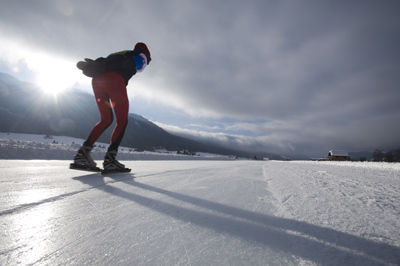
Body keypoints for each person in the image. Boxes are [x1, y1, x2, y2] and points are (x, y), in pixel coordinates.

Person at [70, 42, 151, 173]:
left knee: (106, 119)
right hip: (114, 80)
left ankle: (82, 156)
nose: (142, 66)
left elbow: (107, 63)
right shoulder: (140, 55)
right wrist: (141, 61)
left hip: (97, 81)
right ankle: (110, 160)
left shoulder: (119, 54)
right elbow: (137, 64)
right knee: (122, 121)